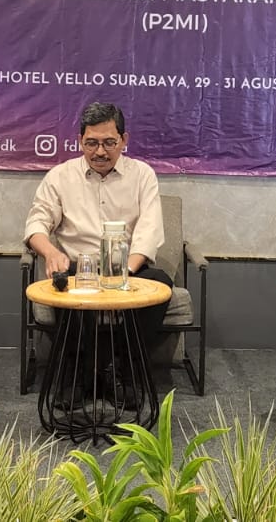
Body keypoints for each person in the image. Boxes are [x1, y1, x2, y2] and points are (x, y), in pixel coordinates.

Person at [24, 102, 173, 405]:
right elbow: (36, 224)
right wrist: (50, 252)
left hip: (128, 266)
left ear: (124, 140)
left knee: (160, 283)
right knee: (67, 283)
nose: (100, 152)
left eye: (109, 143)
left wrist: (123, 273)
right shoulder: (60, 176)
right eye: (91, 143)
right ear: (80, 140)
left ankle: (122, 370)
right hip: (79, 267)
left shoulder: (142, 175)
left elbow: (149, 232)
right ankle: (78, 374)